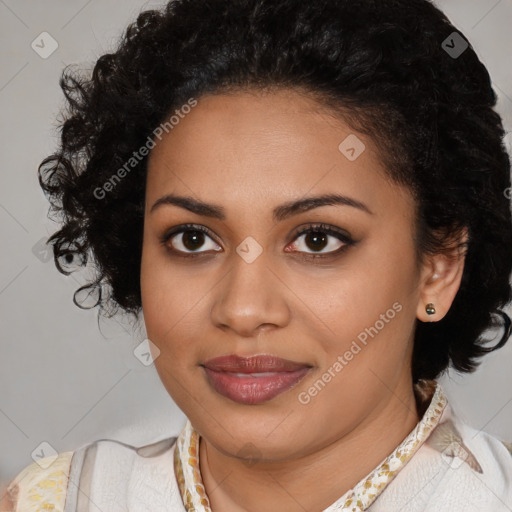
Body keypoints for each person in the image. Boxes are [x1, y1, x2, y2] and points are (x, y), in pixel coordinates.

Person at [2, 0, 512, 510]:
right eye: (193, 239)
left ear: (438, 268)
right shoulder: (54, 499)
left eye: (317, 240)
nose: (243, 310)